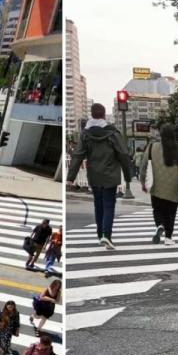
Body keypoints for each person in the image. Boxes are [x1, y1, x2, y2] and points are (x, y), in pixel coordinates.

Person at [65, 103, 132, 249]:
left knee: (98, 205)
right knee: (109, 205)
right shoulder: (113, 133)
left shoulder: (85, 134)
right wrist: (128, 175)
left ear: (92, 114)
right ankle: (106, 236)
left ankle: (100, 234)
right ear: (103, 114)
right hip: (110, 175)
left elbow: (77, 155)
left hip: (94, 174)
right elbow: (123, 154)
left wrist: (70, 177)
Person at [140, 123, 178, 245]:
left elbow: (143, 166)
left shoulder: (152, 147)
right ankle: (168, 237)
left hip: (156, 186)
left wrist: (143, 182)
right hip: (173, 189)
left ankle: (159, 225)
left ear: (161, 134)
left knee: (157, 209)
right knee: (170, 213)